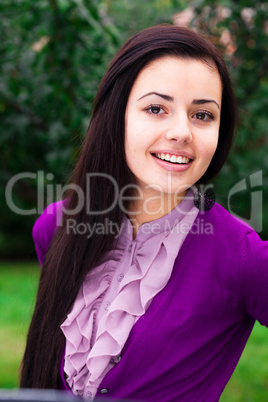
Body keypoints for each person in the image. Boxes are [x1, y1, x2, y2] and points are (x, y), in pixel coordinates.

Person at [20, 25, 268, 401]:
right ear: (116, 115)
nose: (182, 131)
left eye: (203, 115)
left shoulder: (242, 256)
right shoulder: (56, 226)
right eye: (156, 108)